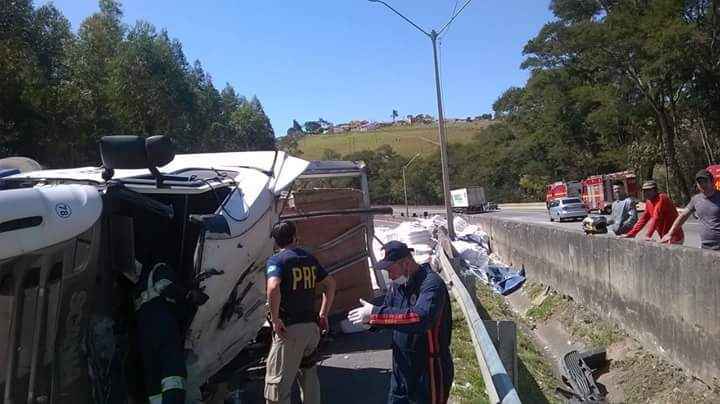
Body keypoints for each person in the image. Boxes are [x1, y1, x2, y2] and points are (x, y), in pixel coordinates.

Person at [348, 241, 453, 404]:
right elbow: (389, 312)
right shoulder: (397, 286)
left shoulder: (431, 284)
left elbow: (420, 318)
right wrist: (370, 323)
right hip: (401, 367)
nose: (389, 276)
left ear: (406, 263)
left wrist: (375, 314)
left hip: (428, 369)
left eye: (391, 270)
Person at [264, 221, 336, 404]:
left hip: (290, 332)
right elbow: (330, 284)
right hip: (311, 329)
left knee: (277, 388)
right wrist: (323, 314)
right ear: (295, 237)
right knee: (309, 378)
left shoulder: (277, 260)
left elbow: (273, 287)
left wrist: (275, 319)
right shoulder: (309, 259)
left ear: (275, 241)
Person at [134, 262, 209, 404]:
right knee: (173, 375)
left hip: (146, 333)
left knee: (154, 380)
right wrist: (190, 294)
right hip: (162, 327)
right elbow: (165, 287)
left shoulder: (141, 287)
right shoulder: (162, 268)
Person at [662, 169, 720, 250]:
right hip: (705, 246)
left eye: (705, 181)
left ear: (712, 181)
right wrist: (670, 233)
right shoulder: (696, 199)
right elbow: (683, 216)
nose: (702, 184)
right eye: (700, 182)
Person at [619, 180, 684, 244]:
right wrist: (631, 233)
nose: (646, 193)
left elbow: (656, 217)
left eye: (649, 190)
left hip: (675, 236)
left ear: (655, 191)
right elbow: (643, 219)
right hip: (664, 237)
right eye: (644, 191)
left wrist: (648, 235)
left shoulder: (662, 198)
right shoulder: (649, 201)